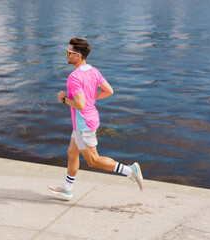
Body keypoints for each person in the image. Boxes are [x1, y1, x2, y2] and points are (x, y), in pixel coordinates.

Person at [48, 37, 144, 199]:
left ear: (77, 55)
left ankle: (130, 170)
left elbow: (79, 105)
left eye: (68, 52)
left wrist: (63, 99)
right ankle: (67, 187)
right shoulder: (94, 71)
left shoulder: (74, 77)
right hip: (87, 120)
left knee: (93, 160)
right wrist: (91, 98)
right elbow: (109, 90)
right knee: (72, 152)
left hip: (83, 123)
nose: (66, 55)